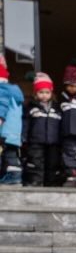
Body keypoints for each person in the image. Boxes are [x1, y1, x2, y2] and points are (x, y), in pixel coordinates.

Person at [23, 73, 63, 187]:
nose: (44, 95)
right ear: (35, 93)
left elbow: (61, 125)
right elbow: (26, 123)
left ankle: (51, 184)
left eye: (47, 92)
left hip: (54, 142)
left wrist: (61, 139)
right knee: (36, 162)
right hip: (36, 141)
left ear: (51, 93)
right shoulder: (31, 107)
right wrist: (24, 137)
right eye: (41, 92)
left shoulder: (57, 107)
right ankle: (36, 182)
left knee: (53, 163)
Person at [0, 55, 25, 185]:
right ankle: (15, 176)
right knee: (11, 155)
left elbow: (1, 106)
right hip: (13, 132)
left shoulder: (2, 90)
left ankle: (13, 176)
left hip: (3, 131)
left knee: (5, 155)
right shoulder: (14, 91)